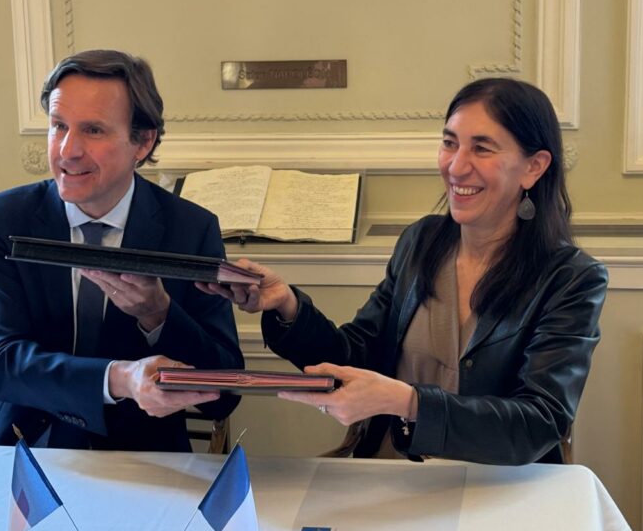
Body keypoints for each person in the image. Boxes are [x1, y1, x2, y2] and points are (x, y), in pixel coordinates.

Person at [201, 78, 607, 465]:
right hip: (393, 472)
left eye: (482, 148)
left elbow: (537, 423)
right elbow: (355, 355)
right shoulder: (421, 241)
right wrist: (287, 306)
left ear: (534, 167)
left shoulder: (572, 278)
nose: (456, 166)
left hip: (496, 489)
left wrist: (408, 402)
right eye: (449, 143)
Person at [0, 49, 242, 451]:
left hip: (143, 458)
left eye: (93, 130)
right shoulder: (0, 220)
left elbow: (224, 392)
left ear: (142, 142)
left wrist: (159, 315)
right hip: (22, 445)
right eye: (58, 126)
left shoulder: (191, 229)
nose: (67, 150)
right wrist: (120, 379)